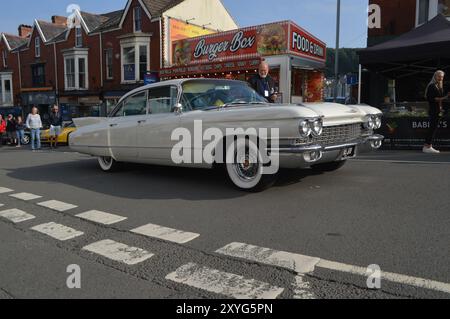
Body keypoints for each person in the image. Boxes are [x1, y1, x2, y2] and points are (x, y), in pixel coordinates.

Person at [423, 70, 450, 154]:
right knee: (432, 128)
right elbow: (431, 98)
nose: (440, 78)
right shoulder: (432, 86)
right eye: (439, 76)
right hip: (433, 110)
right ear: (435, 76)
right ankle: (427, 146)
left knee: (433, 128)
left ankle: (428, 146)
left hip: (438, 110)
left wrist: (442, 106)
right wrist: (445, 97)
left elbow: (440, 99)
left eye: (442, 77)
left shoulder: (439, 86)